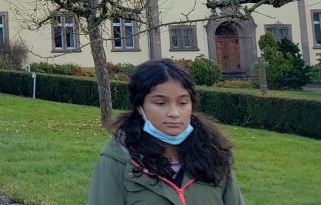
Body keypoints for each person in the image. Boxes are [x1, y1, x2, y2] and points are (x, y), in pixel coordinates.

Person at [88, 58, 245, 204]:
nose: (174, 113)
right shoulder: (117, 161)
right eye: (160, 103)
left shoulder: (214, 155)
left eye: (183, 103)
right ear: (140, 106)